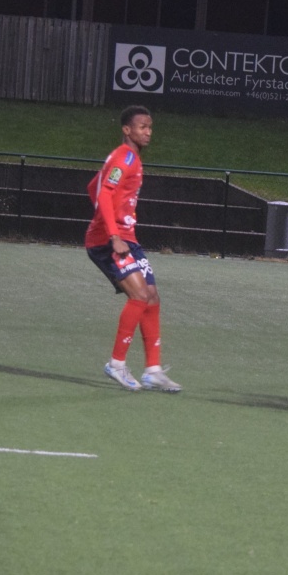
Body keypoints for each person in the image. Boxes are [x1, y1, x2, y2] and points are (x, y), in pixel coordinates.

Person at [86, 105, 181, 393]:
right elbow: (104, 193)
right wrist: (113, 233)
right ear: (127, 130)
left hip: (127, 237)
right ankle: (116, 364)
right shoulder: (124, 157)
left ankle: (153, 370)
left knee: (152, 297)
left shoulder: (131, 158)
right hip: (108, 241)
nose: (148, 132)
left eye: (150, 127)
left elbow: (93, 186)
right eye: (142, 127)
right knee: (139, 296)